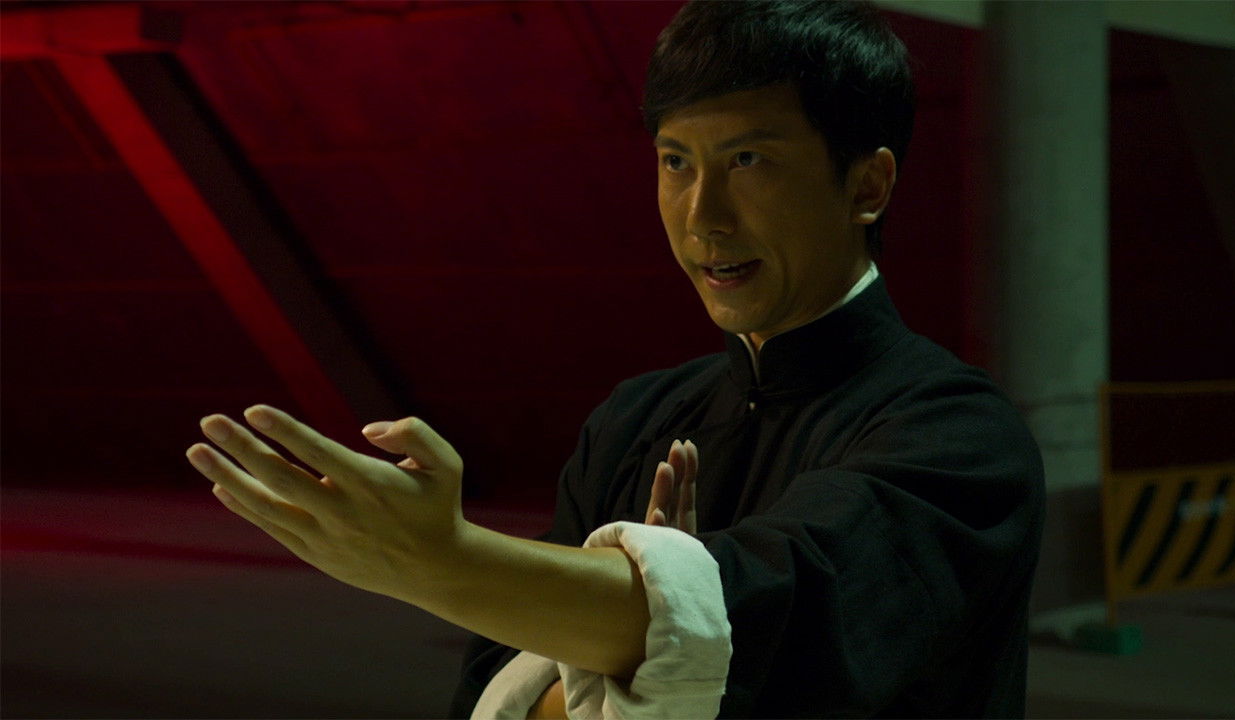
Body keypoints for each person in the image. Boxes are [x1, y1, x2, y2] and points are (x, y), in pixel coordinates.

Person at [186, 1, 1044, 718]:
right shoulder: (639, 417)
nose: (703, 215)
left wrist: (447, 561)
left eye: (748, 160)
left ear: (867, 186)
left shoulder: (958, 436)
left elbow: (787, 612)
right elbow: (494, 680)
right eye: (676, 161)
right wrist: (618, 657)